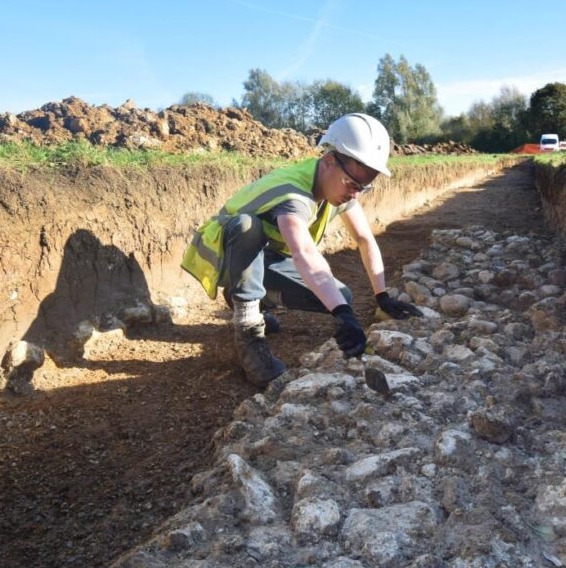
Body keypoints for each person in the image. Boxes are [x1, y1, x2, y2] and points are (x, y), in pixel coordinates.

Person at [181, 113, 423, 387]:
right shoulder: (294, 195)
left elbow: (365, 238)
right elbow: (304, 253)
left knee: (340, 296)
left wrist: (382, 296)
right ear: (330, 160)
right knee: (248, 226)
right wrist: (342, 315)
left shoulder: (336, 186)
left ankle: (253, 301)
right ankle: (248, 332)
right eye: (352, 185)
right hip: (226, 256)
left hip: (265, 259)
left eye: (363, 187)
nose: (355, 194)